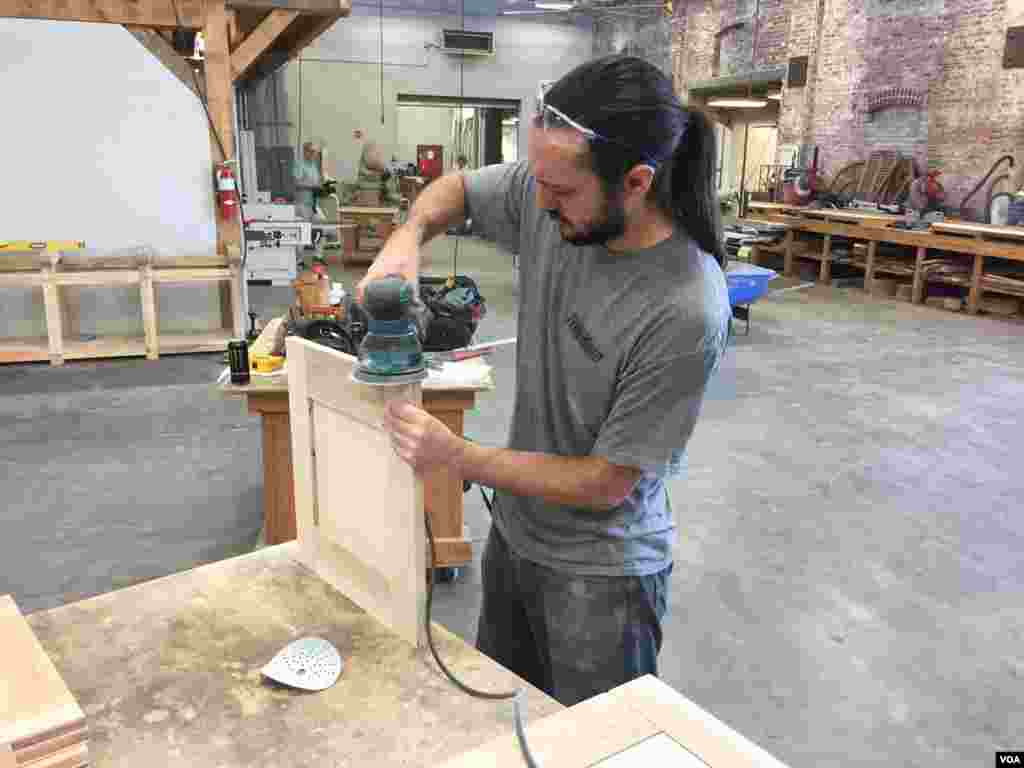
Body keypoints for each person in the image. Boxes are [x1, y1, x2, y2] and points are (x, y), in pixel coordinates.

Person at [357, 55, 732, 707]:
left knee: (593, 745)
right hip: (517, 538)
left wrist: (459, 458)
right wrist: (408, 236)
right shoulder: (554, 191)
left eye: (560, 192)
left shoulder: (684, 306)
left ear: (637, 182)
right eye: (538, 179)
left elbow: (606, 482)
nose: (538, 202)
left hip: (603, 578)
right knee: (505, 723)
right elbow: (459, 190)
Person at [293, 140, 324, 221]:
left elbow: (317, 183)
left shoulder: (314, 166)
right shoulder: (299, 164)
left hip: (314, 205)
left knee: (323, 226)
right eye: (312, 151)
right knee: (307, 230)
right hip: (303, 204)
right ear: (305, 151)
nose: (314, 154)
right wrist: (313, 186)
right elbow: (296, 183)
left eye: (315, 152)